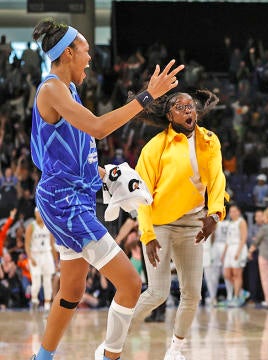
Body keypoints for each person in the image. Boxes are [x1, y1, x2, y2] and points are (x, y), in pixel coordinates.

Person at [29, 18, 183, 360]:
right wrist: (148, 96)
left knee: (71, 289)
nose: (89, 58)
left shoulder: (69, 91)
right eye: (85, 51)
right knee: (130, 284)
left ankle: (42, 357)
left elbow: (72, 149)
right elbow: (98, 128)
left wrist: (106, 173)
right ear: (68, 52)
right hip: (63, 200)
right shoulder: (50, 88)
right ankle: (108, 357)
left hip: (76, 195)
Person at [130, 89, 227, 360]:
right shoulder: (155, 147)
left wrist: (216, 214)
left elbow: (218, 179)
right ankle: (115, 335)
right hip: (160, 225)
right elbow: (141, 194)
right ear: (169, 114)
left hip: (194, 223)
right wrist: (147, 234)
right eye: (180, 107)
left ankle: (175, 350)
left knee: (192, 294)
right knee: (157, 292)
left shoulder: (209, 140)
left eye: (191, 106)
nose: (188, 110)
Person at [25, 208, 57, 311]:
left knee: (48, 280)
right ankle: (34, 300)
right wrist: (30, 257)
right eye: (38, 213)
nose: (39, 215)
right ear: (35, 214)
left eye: (41, 213)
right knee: (37, 281)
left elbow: (52, 244)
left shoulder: (48, 225)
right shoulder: (31, 226)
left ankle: (47, 304)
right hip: (35, 255)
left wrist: (56, 261)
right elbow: (27, 244)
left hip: (47, 254)